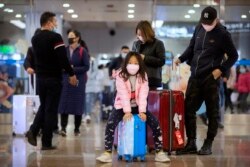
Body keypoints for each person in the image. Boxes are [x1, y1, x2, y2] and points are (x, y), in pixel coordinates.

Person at [174, 6, 238, 155]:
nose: (206, 25)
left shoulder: (223, 34)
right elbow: (191, 48)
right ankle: (191, 143)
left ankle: (208, 143)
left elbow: (234, 56)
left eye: (209, 22)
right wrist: (180, 58)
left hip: (210, 78)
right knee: (188, 109)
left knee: (212, 112)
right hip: (195, 77)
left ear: (216, 20)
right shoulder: (198, 28)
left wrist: (221, 70)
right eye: (204, 22)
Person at [96, 51, 170, 163]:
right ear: (126, 63)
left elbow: (143, 94)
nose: (133, 65)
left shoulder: (143, 75)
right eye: (130, 62)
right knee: (110, 124)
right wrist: (127, 111)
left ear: (140, 64)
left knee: (155, 123)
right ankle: (107, 153)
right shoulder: (120, 75)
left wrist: (142, 111)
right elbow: (123, 94)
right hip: (122, 106)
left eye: (136, 62)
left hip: (139, 105)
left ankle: (159, 152)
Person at [25, 11, 78, 150]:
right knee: (50, 110)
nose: (55, 24)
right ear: (48, 22)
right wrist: (71, 73)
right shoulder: (56, 37)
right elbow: (62, 58)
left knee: (45, 106)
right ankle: (46, 142)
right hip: (53, 78)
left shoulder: (34, 39)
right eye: (54, 22)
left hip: (40, 79)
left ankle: (33, 130)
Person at [58, 29, 90, 137]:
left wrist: (73, 69)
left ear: (77, 38)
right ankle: (63, 128)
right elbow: (60, 65)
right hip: (65, 81)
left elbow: (86, 67)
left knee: (77, 104)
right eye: (68, 36)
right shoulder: (65, 50)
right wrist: (67, 70)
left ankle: (76, 128)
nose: (69, 38)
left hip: (78, 81)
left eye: (71, 36)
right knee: (64, 104)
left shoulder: (82, 51)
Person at [132, 20, 165, 90]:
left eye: (140, 35)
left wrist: (145, 58)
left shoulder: (158, 43)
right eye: (137, 35)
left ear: (146, 33)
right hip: (137, 78)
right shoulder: (136, 44)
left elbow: (161, 61)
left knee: (150, 100)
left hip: (151, 80)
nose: (138, 37)